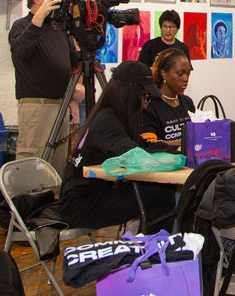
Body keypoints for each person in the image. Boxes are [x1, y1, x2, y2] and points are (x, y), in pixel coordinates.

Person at [56, 62, 177, 231]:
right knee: (161, 194)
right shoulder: (106, 121)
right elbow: (136, 156)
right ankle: (154, 251)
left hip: (96, 195)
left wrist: (177, 151)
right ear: (130, 94)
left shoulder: (115, 116)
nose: (146, 104)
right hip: (80, 205)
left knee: (160, 192)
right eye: (145, 97)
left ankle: (155, 247)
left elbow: (143, 146)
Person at [8, 0, 77, 174]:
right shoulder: (21, 26)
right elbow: (21, 51)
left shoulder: (58, 28)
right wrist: (39, 17)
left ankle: (54, 202)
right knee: (33, 163)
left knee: (58, 165)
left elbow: (74, 60)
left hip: (61, 106)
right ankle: (29, 203)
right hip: (36, 107)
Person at [141, 49, 195, 148]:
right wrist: (186, 142)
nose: (185, 79)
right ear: (164, 73)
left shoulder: (187, 102)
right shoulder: (149, 105)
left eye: (188, 74)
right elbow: (149, 144)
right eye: (180, 74)